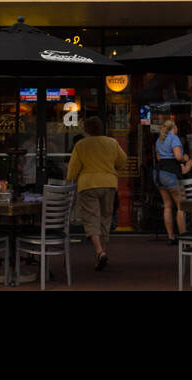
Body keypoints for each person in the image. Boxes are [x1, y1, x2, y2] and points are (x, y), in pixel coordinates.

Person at [66, 115, 126, 271]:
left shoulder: (81, 145)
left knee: (91, 217)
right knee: (106, 217)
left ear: (86, 129)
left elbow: (72, 170)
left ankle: (99, 251)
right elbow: (122, 161)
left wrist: (71, 178)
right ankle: (102, 251)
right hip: (109, 183)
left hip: (88, 184)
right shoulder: (112, 143)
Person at [153, 118, 187, 244]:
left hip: (158, 173)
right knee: (180, 206)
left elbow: (158, 158)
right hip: (171, 173)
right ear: (174, 127)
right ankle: (184, 237)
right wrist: (185, 158)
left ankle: (171, 236)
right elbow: (178, 156)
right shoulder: (174, 138)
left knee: (167, 205)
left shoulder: (159, 140)